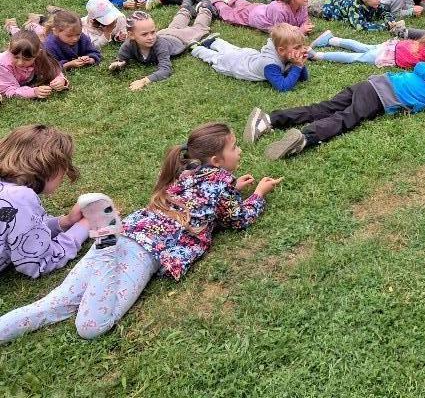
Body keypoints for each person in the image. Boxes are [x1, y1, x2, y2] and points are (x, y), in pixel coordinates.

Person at [0, 123, 281, 343]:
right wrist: (258, 194)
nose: (239, 151)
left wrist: (233, 189)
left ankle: (106, 241)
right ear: (216, 161)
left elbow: (205, 201)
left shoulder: (185, 173)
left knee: (53, 304)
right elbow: (238, 218)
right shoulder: (221, 183)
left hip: (131, 231)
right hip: (147, 252)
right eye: (235, 147)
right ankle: (106, 242)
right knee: (91, 327)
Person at [243, 45, 425, 160]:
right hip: (379, 97)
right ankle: (305, 138)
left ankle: (270, 119)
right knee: (346, 118)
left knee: (325, 107)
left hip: (369, 84)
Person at [0, 125, 89, 279]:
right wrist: (85, 226)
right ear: (52, 166)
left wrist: (65, 222)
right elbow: (40, 262)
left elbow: (19, 230)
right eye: (65, 166)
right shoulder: (19, 198)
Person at [108, 8, 215, 91]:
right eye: (144, 34)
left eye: (152, 32)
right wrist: (119, 63)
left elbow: (166, 69)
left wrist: (145, 81)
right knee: (175, 26)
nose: (150, 37)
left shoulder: (160, 44)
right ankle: (185, 9)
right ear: (131, 35)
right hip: (164, 33)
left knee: (200, 28)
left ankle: (205, 9)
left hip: (179, 38)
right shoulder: (128, 45)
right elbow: (121, 58)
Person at [308, 11, 425, 68]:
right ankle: (317, 55)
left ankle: (332, 40)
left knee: (363, 46)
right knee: (356, 57)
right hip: (390, 55)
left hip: (394, 46)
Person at [192, 23, 310, 91]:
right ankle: (196, 49)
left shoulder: (285, 54)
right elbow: (283, 87)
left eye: (302, 46)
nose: (301, 50)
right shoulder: (270, 65)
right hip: (236, 65)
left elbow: (303, 78)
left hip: (247, 56)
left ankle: (213, 41)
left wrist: (300, 64)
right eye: (297, 47)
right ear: (281, 50)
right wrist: (297, 66)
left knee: (232, 49)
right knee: (216, 58)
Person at [205, 0, 313, 35]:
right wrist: (300, 31)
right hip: (252, 16)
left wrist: (304, 25)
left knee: (245, 5)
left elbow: (305, 21)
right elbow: (280, 34)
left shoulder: (302, 6)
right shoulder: (280, 10)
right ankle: (214, 0)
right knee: (229, 15)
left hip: (259, 8)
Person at [0, 31, 67, 100]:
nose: (20, 63)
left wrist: (60, 80)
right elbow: (8, 90)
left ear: (38, 53)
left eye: (27, 59)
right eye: (16, 57)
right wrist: (33, 92)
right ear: (9, 49)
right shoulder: (2, 65)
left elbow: (54, 70)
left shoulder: (39, 56)